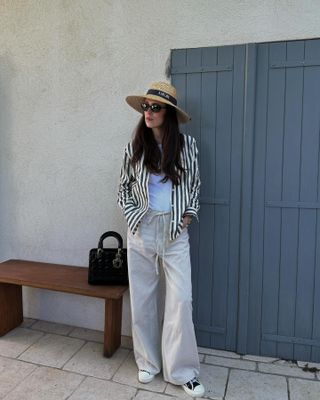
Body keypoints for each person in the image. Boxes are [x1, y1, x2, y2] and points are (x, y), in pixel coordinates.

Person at [117, 81, 205, 398]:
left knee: (180, 300)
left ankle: (181, 371)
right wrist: (133, 217)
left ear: (168, 114)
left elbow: (194, 187)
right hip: (142, 228)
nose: (149, 112)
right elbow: (123, 189)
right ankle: (148, 362)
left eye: (156, 107)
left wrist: (187, 216)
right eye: (146, 107)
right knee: (142, 299)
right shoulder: (134, 148)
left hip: (174, 231)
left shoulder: (187, 146)